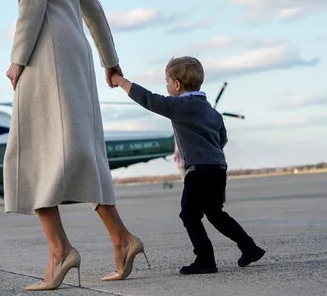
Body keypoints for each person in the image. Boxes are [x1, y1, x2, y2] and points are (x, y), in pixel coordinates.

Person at [1, 0, 148, 291]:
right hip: (75, 53)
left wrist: (16, 60)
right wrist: (110, 60)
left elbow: (31, 5)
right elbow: (93, 8)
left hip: (44, 51)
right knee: (77, 149)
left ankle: (60, 252)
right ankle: (121, 239)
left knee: (30, 151)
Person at [110, 56, 266, 274]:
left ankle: (205, 259)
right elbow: (222, 139)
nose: (166, 87)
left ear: (177, 84)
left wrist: (121, 81)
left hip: (198, 171)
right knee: (215, 213)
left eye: (167, 82)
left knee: (189, 215)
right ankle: (249, 247)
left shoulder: (179, 106)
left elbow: (149, 99)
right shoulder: (212, 112)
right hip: (218, 168)